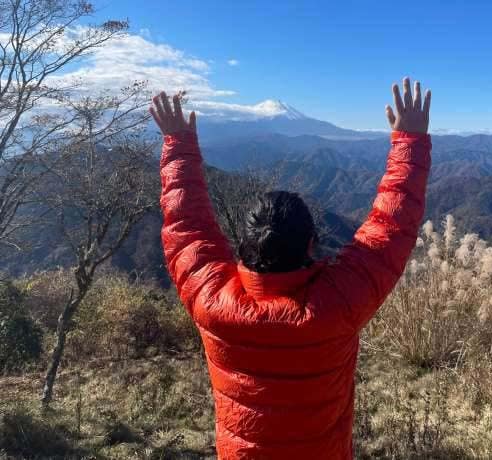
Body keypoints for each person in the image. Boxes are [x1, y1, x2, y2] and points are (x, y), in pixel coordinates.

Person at [151, 78, 432, 459]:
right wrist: (409, 142)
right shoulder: (337, 305)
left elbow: (186, 225)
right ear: (311, 243)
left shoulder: (211, 301)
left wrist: (178, 144)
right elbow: (391, 226)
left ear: (244, 243)